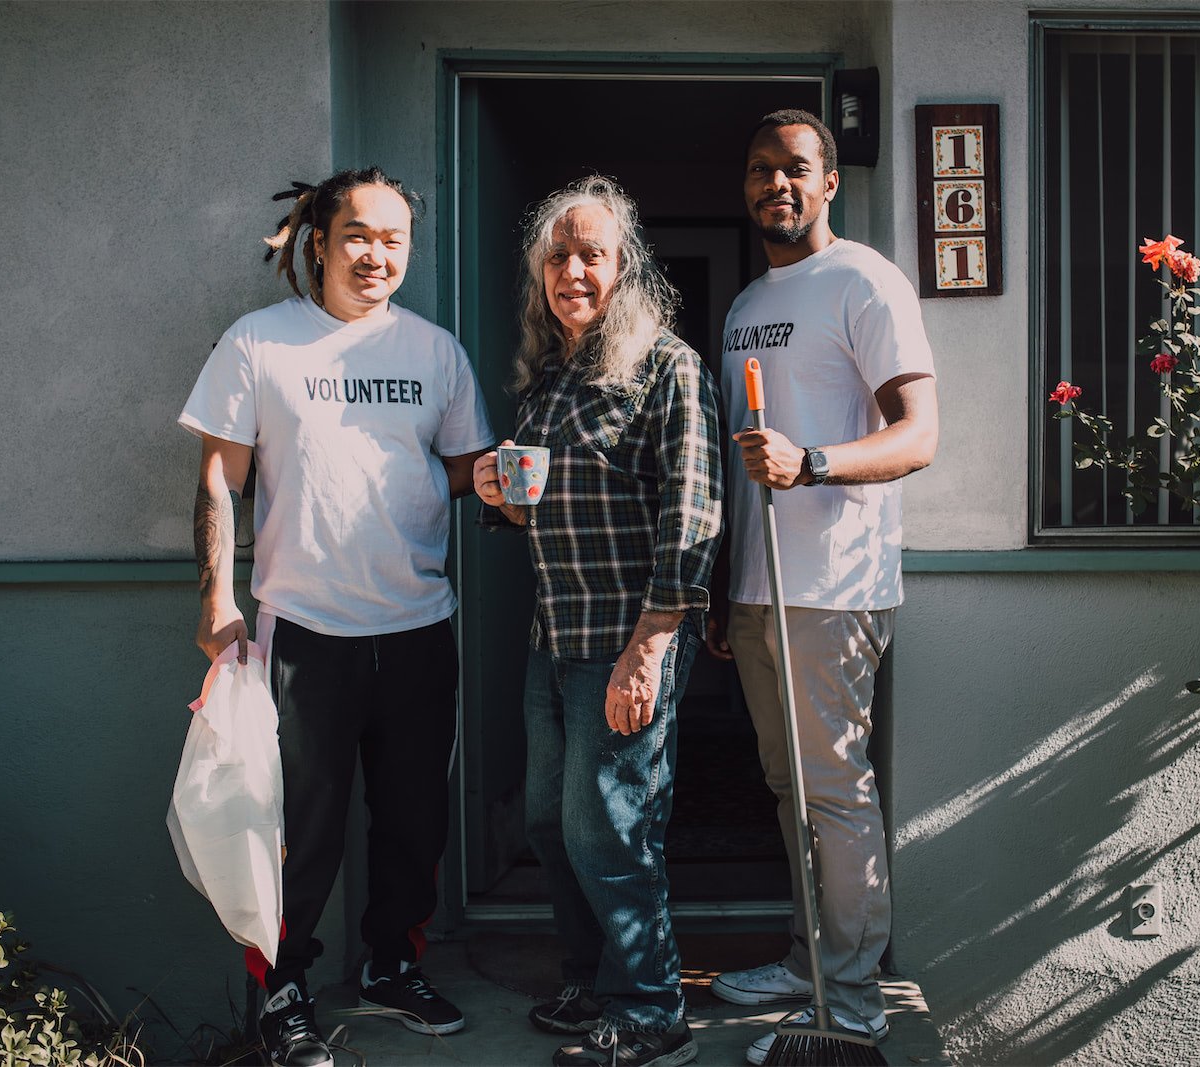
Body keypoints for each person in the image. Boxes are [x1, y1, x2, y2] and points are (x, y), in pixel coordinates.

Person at [180, 167, 494, 1067]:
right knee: (297, 830)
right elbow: (219, 474)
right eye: (360, 235)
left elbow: (469, 467)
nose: (377, 255)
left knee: (413, 820)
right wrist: (215, 594)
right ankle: (280, 992)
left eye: (395, 239)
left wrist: (505, 482)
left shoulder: (435, 353)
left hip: (419, 627)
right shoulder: (258, 343)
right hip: (303, 634)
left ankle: (394, 964)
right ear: (319, 240)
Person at [705, 110, 939, 1066]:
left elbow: (919, 435)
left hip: (836, 588)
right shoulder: (745, 302)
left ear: (829, 181)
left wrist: (814, 463)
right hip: (760, 587)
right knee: (786, 786)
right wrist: (728, 587)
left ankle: (851, 1003)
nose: (777, 185)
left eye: (796, 168)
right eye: (761, 169)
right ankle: (808, 960)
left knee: (833, 791)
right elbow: (731, 467)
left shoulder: (867, 281)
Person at [472, 175, 722, 1067]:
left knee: (611, 825)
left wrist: (649, 647)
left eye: (592, 255)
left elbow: (692, 515)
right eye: (558, 256)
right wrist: (495, 496)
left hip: (628, 637)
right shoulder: (550, 376)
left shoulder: (666, 365)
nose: (573, 270)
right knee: (550, 820)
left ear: (626, 268)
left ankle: (653, 1007)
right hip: (555, 637)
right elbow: (543, 506)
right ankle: (590, 980)